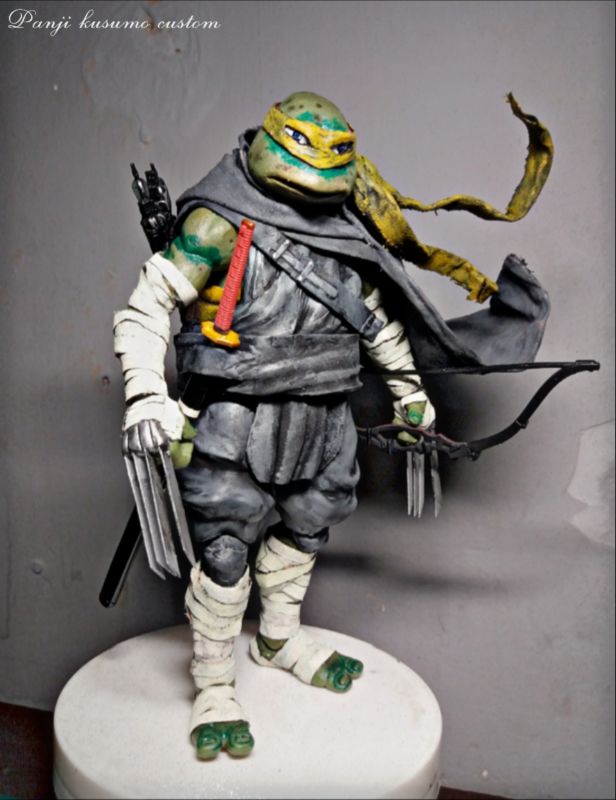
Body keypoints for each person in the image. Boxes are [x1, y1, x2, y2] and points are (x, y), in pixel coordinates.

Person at [113, 91, 552, 759]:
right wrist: (147, 394)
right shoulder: (214, 225)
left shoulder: (348, 231)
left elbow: (374, 320)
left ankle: (278, 638)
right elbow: (148, 307)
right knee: (224, 551)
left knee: (309, 526)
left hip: (325, 419)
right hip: (233, 419)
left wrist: (410, 393)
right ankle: (214, 684)